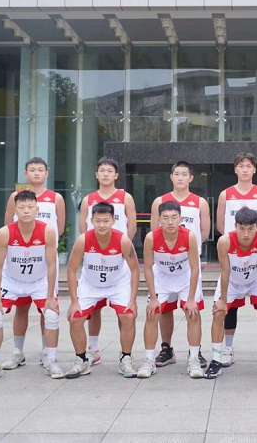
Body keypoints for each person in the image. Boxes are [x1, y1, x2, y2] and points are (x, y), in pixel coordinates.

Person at [0, 190, 62, 381]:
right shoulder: (5, 233)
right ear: (14, 210)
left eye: (30, 207)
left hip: (39, 281)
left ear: (37, 209)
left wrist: (50, 296)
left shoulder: (47, 231)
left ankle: (51, 360)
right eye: (21, 207)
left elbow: (52, 264)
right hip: (12, 281)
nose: (26, 211)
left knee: (51, 315)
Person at [0, 157, 66, 372]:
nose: (36, 173)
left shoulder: (56, 198)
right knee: (21, 308)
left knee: (47, 309)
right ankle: (18, 352)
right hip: (19, 258)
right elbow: (8, 225)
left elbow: (60, 227)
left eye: (40, 170)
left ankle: (47, 353)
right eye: (32, 170)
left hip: (44, 259)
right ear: (25, 174)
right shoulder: (15, 197)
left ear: (47, 173)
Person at [205, 207, 257, 379]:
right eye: (242, 228)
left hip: (255, 281)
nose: (246, 233)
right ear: (235, 226)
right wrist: (223, 300)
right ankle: (217, 359)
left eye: (250, 228)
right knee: (219, 313)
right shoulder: (225, 241)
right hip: (232, 281)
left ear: (256, 226)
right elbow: (225, 272)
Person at [215, 152, 257, 366]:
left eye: (248, 166)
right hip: (233, 254)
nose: (244, 169)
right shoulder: (225, 194)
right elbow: (220, 225)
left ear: (254, 169)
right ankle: (227, 349)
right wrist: (235, 242)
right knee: (229, 306)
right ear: (235, 169)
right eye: (241, 166)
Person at [65, 203, 140, 379]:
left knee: (128, 316)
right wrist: (74, 301)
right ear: (91, 221)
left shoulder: (123, 240)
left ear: (113, 221)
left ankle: (126, 358)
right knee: (75, 319)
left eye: (106, 221)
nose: (101, 225)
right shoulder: (83, 240)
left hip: (117, 284)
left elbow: (135, 270)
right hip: (90, 285)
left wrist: (133, 300)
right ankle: (81, 360)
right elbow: (71, 270)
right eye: (97, 221)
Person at [149, 160, 210, 367]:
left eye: (184, 174)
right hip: (164, 264)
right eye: (177, 174)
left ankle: (195, 351)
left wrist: (188, 249)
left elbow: (204, 231)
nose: (180, 177)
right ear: (171, 177)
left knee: (193, 309)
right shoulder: (160, 201)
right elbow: (154, 232)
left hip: (188, 263)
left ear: (191, 178)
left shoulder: (200, 202)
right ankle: (166, 349)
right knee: (164, 309)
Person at [78, 157, 137, 365]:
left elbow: (132, 227)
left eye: (109, 171)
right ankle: (93, 349)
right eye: (102, 170)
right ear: (96, 174)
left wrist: (121, 248)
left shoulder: (125, 197)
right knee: (93, 308)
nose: (105, 174)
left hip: (118, 259)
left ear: (116, 175)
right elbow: (83, 229)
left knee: (123, 311)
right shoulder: (88, 200)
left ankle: (125, 352)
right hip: (95, 259)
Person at [139, 201, 204, 379]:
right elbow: (147, 268)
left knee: (193, 313)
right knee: (152, 314)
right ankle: (149, 360)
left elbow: (195, 268)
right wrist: (153, 298)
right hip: (162, 277)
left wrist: (191, 299)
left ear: (180, 219)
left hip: (185, 277)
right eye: (165, 218)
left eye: (174, 217)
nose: (170, 222)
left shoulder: (189, 236)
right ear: (159, 220)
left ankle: (194, 359)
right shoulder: (151, 238)